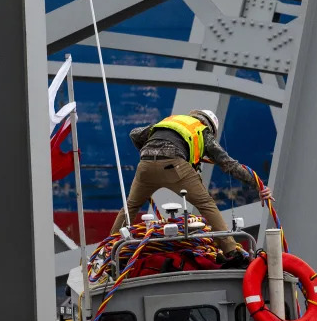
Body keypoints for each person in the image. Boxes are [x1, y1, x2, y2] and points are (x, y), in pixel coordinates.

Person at [110, 109, 273, 265]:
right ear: (210, 126)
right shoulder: (203, 131)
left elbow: (134, 134)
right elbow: (228, 164)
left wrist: (150, 153)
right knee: (206, 204)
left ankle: (110, 249)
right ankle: (231, 250)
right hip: (175, 166)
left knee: (130, 207)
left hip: (144, 166)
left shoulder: (169, 122)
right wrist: (258, 185)